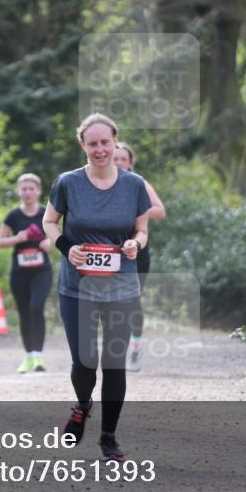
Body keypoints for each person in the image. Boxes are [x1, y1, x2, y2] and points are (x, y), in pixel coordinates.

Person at [43, 113, 151, 461]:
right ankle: (82, 403)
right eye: (93, 144)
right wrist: (66, 247)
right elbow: (49, 221)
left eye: (106, 142)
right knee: (85, 364)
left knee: (114, 363)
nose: (100, 149)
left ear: (115, 141)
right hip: (77, 287)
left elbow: (142, 231)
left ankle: (109, 438)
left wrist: (136, 244)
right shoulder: (67, 183)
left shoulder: (134, 184)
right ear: (83, 146)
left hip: (121, 286)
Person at [113, 142, 166, 372]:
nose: (118, 162)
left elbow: (160, 212)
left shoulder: (139, 183)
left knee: (132, 300)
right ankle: (113, 350)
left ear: (130, 162)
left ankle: (135, 347)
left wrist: (135, 209)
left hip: (137, 249)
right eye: (115, 158)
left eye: (122, 158)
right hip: (108, 250)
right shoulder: (99, 182)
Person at [0, 173, 53, 373]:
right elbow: (0, 242)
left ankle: (38, 357)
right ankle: (28, 356)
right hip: (19, 272)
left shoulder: (46, 214)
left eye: (31, 188)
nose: (28, 192)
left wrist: (50, 241)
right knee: (24, 312)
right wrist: (17, 239)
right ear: (19, 191)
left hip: (41, 271)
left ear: (38, 191)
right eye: (24, 189)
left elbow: (58, 236)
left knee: (36, 307)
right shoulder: (13, 216)